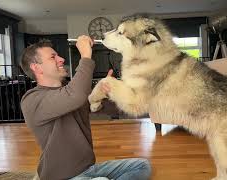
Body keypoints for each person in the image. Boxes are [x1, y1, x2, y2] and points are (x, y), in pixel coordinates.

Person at [20, 35, 151, 180]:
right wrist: (86, 55)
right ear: (36, 67)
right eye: (53, 57)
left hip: (88, 168)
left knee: (142, 166)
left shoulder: (71, 92)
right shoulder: (32, 100)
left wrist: (108, 93)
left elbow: (111, 109)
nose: (61, 59)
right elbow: (75, 96)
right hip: (62, 176)